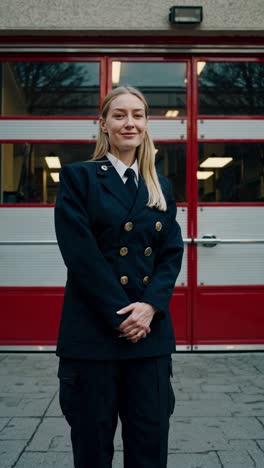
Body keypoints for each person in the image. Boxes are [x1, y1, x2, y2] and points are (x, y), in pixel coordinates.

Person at [55, 85, 184, 468]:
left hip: (149, 337)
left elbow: (171, 254)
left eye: (138, 115)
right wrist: (123, 315)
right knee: (92, 450)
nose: (130, 123)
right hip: (93, 335)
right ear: (104, 124)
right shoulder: (79, 178)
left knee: (150, 448)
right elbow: (81, 255)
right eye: (120, 115)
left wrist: (150, 307)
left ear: (147, 125)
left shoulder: (161, 185)